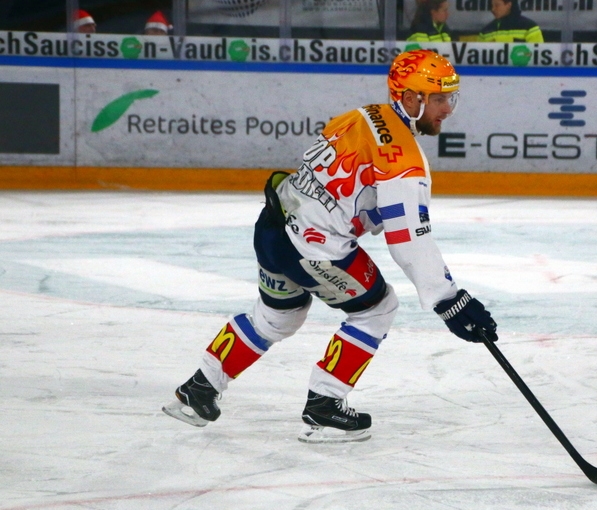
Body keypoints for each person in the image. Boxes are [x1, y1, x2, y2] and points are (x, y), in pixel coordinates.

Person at [162, 49, 499, 444]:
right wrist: (449, 300)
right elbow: (409, 240)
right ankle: (324, 405)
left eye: (449, 97)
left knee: (278, 316)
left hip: (272, 228)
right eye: (439, 98)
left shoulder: (362, 114)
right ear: (411, 99)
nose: (448, 109)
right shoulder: (404, 160)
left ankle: (200, 388)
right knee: (378, 307)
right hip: (312, 249)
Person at [478, 0, 543, 43]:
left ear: (509, 5)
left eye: (497, 5)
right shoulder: (485, 32)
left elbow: (538, 55)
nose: (493, 9)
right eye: (492, 6)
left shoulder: (530, 27)